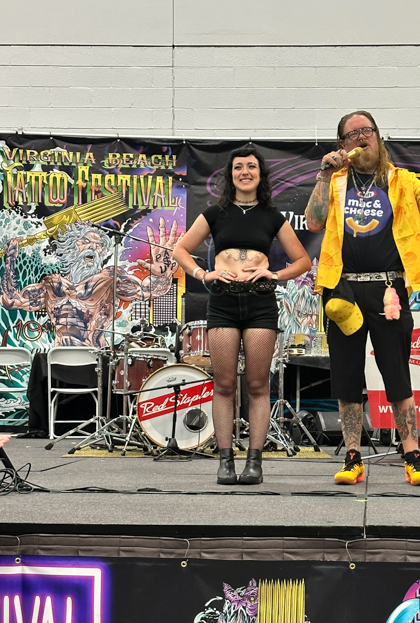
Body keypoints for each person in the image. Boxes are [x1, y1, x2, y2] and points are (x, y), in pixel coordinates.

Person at [305, 111, 420, 486]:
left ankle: (412, 455)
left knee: (397, 374)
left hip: (388, 290)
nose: (362, 137)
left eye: (367, 131)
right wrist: (324, 174)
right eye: (353, 134)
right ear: (342, 144)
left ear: (378, 137)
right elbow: (313, 221)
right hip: (343, 290)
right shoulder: (335, 181)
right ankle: (352, 456)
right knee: (347, 377)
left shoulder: (401, 180)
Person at [173, 145, 311, 485]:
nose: (244, 172)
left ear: (260, 175)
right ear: (230, 174)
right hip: (223, 303)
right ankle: (225, 461)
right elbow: (180, 250)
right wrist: (203, 274)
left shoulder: (272, 216)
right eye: (238, 167)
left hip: (260, 304)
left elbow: (303, 261)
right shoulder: (215, 214)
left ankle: (254, 462)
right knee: (223, 384)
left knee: (258, 384)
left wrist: (274, 274)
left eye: (251, 167)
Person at [0, 219, 177, 347]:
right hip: (59, 361)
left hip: (96, 361)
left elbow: (149, 290)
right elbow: (10, 301)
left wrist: (164, 272)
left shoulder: (109, 280)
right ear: (70, 247)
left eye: (98, 245)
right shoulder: (52, 286)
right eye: (85, 242)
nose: (93, 247)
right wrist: (10, 261)